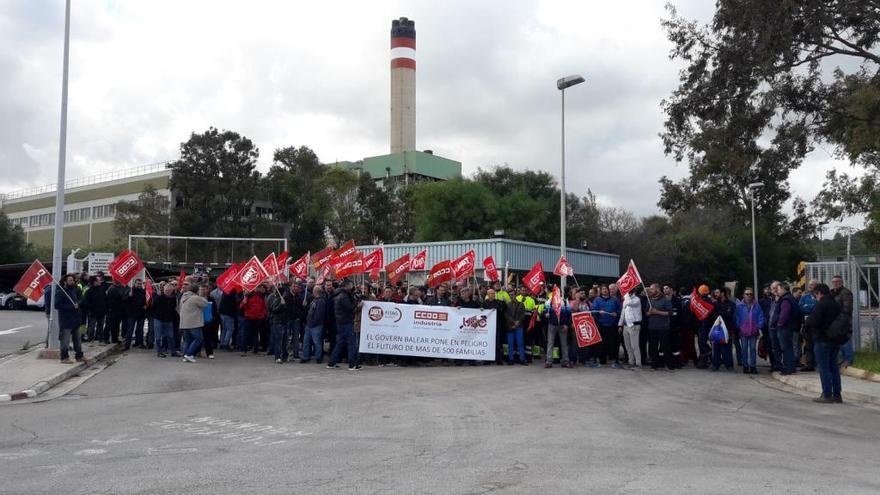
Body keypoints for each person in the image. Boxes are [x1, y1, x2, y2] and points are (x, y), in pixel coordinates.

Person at [806, 284, 843, 403]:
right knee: (834, 367)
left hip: (822, 339)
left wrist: (808, 321)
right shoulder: (836, 305)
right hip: (835, 339)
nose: (815, 297)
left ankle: (827, 394)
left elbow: (813, 321)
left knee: (824, 367)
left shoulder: (821, 305)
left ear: (820, 293)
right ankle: (837, 394)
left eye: (815, 294)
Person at [327, 279, 362, 371]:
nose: (352, 287)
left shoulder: (340, 294)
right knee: (351, 343)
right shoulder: (343, 296)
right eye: (351, 285)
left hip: (341, 322)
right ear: (346, 286)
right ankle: (352, 364)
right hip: (346, 322)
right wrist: (358, 305)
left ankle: (332, 362)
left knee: (340, 343)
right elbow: (350, 308)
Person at [771, 281, 801, 375]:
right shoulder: (790, 298)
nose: (777, 291)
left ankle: (788, 367)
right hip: (789, 327)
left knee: (786, 348)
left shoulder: (785, 300)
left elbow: (784, 314)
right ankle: (791, 367)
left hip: (785, 328)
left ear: (784, 289)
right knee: (789, 348)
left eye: (779, 289)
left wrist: (779, 324)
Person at [178, 280, 209, 363]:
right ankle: (189, 354)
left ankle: (185, 355)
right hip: (193, 323)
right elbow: (206, 304)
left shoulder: (183, 296)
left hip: (184, 322)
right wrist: (202, 295)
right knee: (199, 338)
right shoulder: (195, 298)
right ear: (197, 290)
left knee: (187, 340)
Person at [645, 284, 675, 371]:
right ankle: (654, 365)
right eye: (650, 289)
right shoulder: (650, 299)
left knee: (666, 347)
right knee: (653, 347)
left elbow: (670, 313)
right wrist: (650, 313)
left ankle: (670, 366)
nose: (650, 291)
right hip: (652, 327)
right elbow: (646, 313)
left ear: (658, 289)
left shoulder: (665, 299)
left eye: (652, 289)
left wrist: (657, 312)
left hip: (663, 327)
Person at [735, 287, 764, 374]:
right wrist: (739, 326)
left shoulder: (757, 305)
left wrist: (759, 326)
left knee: (752, 349)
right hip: (743, 331)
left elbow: (761, 316)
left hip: (753, 331)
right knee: (744, 349)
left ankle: (753, 366)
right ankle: (745, 366)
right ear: (743, 295)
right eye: (747, 294)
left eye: (751, 294)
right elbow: (736, 317)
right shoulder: (739, 306)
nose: (749, 296)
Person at [55, 274, 84, 364]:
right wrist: (71, 306)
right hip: (66, 320)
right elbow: (57, 305)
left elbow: (81, 299)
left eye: (73, 280)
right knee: (65, 340)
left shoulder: (75, 290)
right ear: (65, 282)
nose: (72, 282)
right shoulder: (61, 292)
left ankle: (79, 356)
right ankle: (64, 357)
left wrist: (78, 304)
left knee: (77, 339)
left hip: (76, 319)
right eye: (70, 280)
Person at [592, 286, 622, 368]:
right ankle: (600, 360)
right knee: (600, 344)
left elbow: (620, 310)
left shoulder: (615, 300)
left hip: (612, 325)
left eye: (606, 289)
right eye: (603, 289)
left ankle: (614, 361)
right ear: (601, 291)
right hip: (601, 325)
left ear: (608, 291)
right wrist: (598, 312)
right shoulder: (597, 300)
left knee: (613, 344)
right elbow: (593, 311)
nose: (604, 291)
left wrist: (616, 313)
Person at [543, 286, 572, 369]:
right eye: (555, 292)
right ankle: (549, 361)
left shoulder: (565, 302)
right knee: (550, 343)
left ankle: (565, 361)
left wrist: (567, 324)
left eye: (558, 292)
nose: (557, 294)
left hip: (563, 325)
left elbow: (569, 314)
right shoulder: (549, 301)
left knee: (564, 344)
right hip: (552, 325)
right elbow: (544, 312)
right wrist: (545, 314)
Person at [830, 275, 855, 368]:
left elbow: (847, 308)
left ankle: (849, 359)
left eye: (837, 282)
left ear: (841, 282)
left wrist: (840, 317)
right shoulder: (833, 293)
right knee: (838, 341)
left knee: (845, 340)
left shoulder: (846, 293)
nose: (835, 284)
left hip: (844, 320)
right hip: (835, 321)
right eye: (833, 282)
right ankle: (841, 360)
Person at [151, 282, 180, 358]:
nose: (168, 291)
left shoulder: (173, 299)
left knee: (171, 336)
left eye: (169, 290)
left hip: (169, 320)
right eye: (166, 290)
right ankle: (159, 352)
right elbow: (153, 307)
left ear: (172, 290)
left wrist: (176, 318)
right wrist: (156, 315)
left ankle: (173, 352)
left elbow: (174, 310)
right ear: (163, 290)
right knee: (158, 337)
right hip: (158, 319)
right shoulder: (159, 297)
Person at [239, 284, 267, 356]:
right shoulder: (248, 295)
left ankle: (256, 350)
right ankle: (243, 350)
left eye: (259, 287)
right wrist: (244, 301)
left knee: (255, 334)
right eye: (258, 287)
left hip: (257, 318)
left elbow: (264, 306)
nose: (259, 288)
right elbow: (241, 306)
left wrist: (262, 314)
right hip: (249, 317)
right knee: (246, 334)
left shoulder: (261, 296)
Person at [302, 286, 326, 364]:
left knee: (317, 342)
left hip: (316, 325)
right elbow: (310, 310)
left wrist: (312, 323)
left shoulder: (321, 301)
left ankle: (318, 357)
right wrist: (305, 306)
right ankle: (305, 356)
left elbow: (318, 315)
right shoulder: (314, 300)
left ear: (316, 291)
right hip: (309, 324)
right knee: (306, 341)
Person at [619, 289, 642, 369]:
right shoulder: (626, 299)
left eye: (628, 291)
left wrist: (626, 295)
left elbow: (629, 303)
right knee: (628, 346)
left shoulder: (636, 299)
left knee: (634, 346)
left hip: (634, 325)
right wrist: (620, 324)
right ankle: (631, 362)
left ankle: (638, 363)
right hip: (625, 325)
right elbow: (623, 312)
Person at [267, 283, 289, 364]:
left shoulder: (284, 298)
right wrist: (281, 304)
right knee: (278, 341)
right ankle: (277, 357)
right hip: (278, 322)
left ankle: (284, 356)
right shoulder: (277, 299)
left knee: (284, 341)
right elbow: (273, 309)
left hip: (284, 322)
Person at [482, 288, 506, 365]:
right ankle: (487, 359)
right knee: (488, 342)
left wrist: (503, 302)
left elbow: (504, 308)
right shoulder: (484, 303)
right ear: (488, 295)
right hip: (487, 326)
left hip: (497, 325)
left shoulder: (499, 302)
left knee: (498, 343)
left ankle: (498, 359)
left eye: (494, 293)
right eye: (492, 293)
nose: (493, 295)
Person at [123, 278, 147, 351]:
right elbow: (124, 300)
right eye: (138, 283)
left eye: (140, 284)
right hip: (131, 314)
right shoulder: (130, 290)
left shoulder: (143, 291)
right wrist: (129, 296)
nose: (139, 285)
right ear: (135, 284)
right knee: (130, 330)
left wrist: (145, 305)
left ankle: (140, 343)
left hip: (141, 314)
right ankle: (127, 345)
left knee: (140, 330)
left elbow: (146, 301)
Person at [82, 275, 107, 344]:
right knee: (91, 327)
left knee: (100, 327)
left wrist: (105, 309)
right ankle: (90, 340)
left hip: (101, 312)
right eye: (99, 280)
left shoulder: (102, 290)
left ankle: (100, 340)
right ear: (94, 282)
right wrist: (91, 310)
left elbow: (105, 300)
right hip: (93, 313)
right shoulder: (89, 291)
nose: (100, 282)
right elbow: (86, 302)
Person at [504, 290, 527, 365]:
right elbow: (506, 315)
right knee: (510, 344)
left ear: (516, 295)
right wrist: (513, 323)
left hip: (519, 326)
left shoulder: (521, 304)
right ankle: (511, 359)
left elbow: (523, 315)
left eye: (513, 295)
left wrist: (518, 322)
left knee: (520, 343)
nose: (512, 296)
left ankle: (522, 359)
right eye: (510, 295)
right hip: (510, 327)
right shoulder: (507, 305)